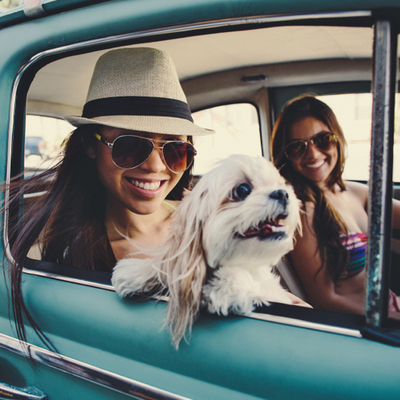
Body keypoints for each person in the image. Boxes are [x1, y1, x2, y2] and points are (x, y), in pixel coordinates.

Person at [5, 47, 214, 346]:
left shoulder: (208, 222)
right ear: (91, 146)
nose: (156, 166)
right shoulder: (62, 257)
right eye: (129, 146)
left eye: (174, 149)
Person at [271, 94, 400, 315]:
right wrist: (386, 320)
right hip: (368, 324)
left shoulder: (356, 192)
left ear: (337, 139)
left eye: (323, 140)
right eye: (297, 147)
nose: (313, 154)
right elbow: (325, 300)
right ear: (286, 155)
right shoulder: (303, 211)